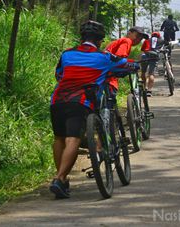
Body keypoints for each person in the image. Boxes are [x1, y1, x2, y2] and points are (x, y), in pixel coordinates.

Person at [49, 21, 138, 199]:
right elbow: (128, 65)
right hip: (80, 102)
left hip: (57, 100)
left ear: (82, 37)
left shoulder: (67, 54)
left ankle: (62, 179)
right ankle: (59, 178)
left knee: (59, 138)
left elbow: (59, 74)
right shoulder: (104, 57)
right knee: (72, 139)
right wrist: (136, 65)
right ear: (99, 40)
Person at [105, 26, 149, 94]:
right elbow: (119, 59)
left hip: (104, 72)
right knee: (110, 100)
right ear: (129, 33)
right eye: (137, 36)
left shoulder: (120, 41)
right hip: (108, 75)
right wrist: (132, 63)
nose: (138, 39)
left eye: (141, 38)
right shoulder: (127, 41)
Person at [140, 31, 163, 96]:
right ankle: (149, 91)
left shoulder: (147, 40)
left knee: (143, 72)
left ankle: (144, 88)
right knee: (151, 74)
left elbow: (142, 49)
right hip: (154, 57)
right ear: (159, 36)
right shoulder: (161, 41)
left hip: (144, 56)